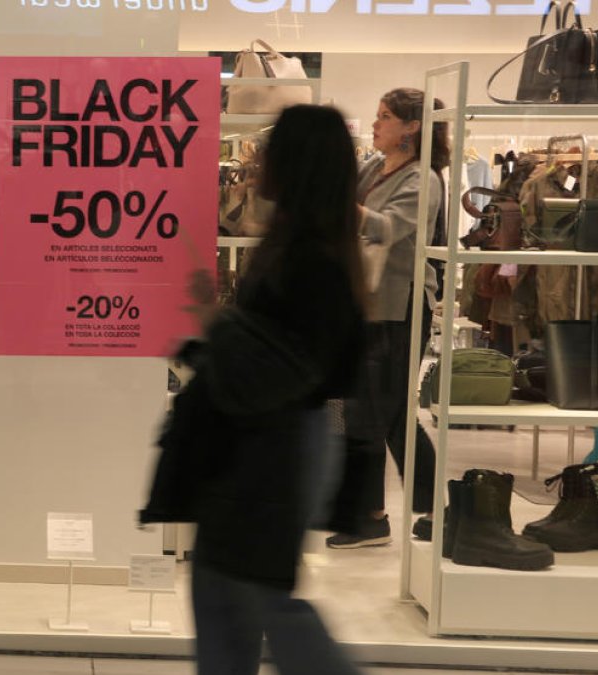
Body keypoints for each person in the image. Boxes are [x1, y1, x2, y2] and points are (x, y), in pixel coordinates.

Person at [172, 105, 366, 674]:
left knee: (250, 598)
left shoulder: (309, 261)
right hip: (283, 440)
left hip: (275, 446)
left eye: (267, 152)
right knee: (238, 595)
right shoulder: (315, 249)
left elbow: (281, 372)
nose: (254, 164)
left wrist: (214, 322)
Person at [326, 88, 446, 548]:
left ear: (412, 128)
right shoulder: (376, 167)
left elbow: (389, 229)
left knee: (390, 412)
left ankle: (436, 506)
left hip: (400, 306)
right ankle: (371, 514)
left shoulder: (424, 179)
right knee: (354, 409)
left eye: (386, 117)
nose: (376, 124)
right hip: (361, 303)